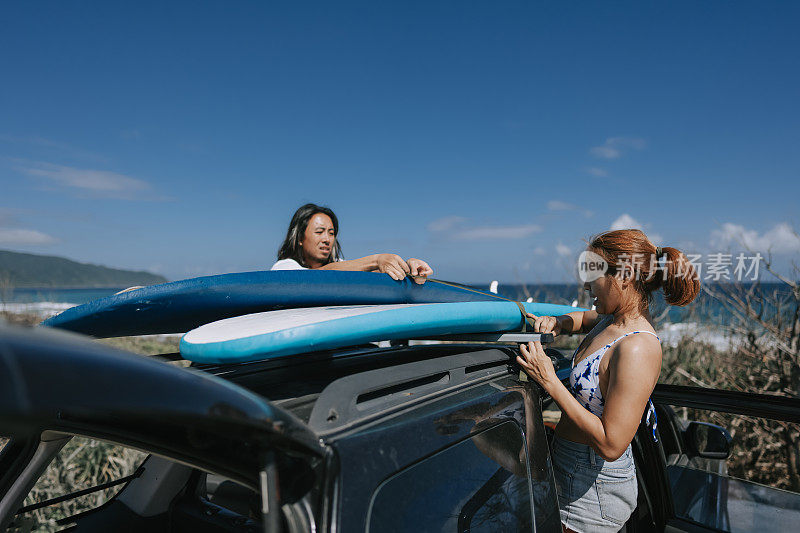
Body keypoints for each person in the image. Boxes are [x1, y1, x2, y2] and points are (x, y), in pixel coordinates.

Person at [516, 229, 700, 532]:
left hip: (592, 491)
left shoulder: (638, 347)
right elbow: (581, 319)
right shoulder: (610, 320)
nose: (587, 284)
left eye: (594, 272)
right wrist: (559, 323)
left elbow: (611, 444)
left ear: (625, 275)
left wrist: (550, 382)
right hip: (569, 467)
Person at [271, 203, 434, 283]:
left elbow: (373, 273)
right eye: (319, 232)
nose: (327, 239)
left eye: (332, 233)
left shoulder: (343, 266)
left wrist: (407, 268)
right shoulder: (283, 268)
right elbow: (315, 277)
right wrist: (377, 260)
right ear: (299, 238)